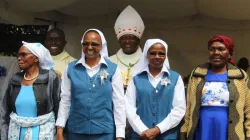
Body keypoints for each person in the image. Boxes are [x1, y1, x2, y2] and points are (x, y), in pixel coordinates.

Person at [56, 29, 126, 140]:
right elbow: (65, 100)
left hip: (104, 133)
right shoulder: (70, 68)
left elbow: (119, 103)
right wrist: (60, 129)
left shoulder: (113, 69)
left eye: (94, 44)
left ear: (101, 46)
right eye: (86, 44)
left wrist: (120, 135)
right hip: (76, 132)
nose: (89, 47)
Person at [180, 35, 250, 140]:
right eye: (212, 49)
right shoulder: (197, 74)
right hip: (202, 126)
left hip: (229, 129)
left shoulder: (240, 76)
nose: (216, 52)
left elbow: (248, 108)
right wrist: (184, 132)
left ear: (229, 53)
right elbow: (189, 106)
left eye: (221, 49)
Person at [125, 39, 186, 140]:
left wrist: (157, 129)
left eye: (161, 54)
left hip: (167, 135)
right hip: (140, 136)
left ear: (165, 56)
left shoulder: (176, 78)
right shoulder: (136, 79)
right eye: (153, 53)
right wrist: (143, 131)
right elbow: (129, 107)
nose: (157, 56)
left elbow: (179, 109)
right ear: (146, 55)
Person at [0, 41, 60, 140]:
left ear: (36, 58)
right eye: (18, 55)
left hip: (44, 133)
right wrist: (4, 135)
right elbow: (4, 111)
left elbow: (59, 107)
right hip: (16, 134)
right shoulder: (15, 79)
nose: (19, 58)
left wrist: (60, 132)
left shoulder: (50, 77)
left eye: (23, 55)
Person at [110, 5, 145, 90]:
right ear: (119, 41)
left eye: (131, 38)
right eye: (123, 38)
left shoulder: (147, 61)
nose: (127, 41)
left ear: (138, 40)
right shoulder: (110, 61)